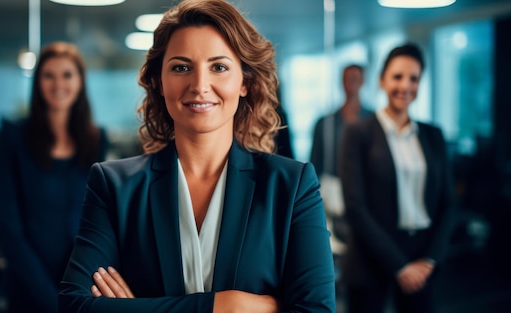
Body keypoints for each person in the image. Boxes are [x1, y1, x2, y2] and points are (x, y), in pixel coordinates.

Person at [58, 0, 336, 312]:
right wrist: (224, 306)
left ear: (244, 82)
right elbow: (75, 306)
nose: (200, 85)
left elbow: (316, 309)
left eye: (219, 67)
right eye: (181, 67)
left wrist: (142, 308)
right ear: (159, 82)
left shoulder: (291, 185)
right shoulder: (114, 186)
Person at [0, 41, 109, 313]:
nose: (58, 84)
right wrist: (49, 297)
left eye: (67, 74)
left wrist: (80, 285)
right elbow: (8, 228)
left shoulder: (95, 140)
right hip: (28, 283)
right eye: (49, 75)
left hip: (81, 281)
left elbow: (97, 218)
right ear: (37, 82)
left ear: (80, 81)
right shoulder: (12, 138)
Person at [338, 43, 456, 313]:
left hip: (422, 257)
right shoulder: (358, 133)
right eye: (397, 76)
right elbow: (355, 207)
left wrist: (430, 259)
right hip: (372, 258)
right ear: (382, 80)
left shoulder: (433, 135)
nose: (405, 85)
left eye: (413, 78)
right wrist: (400, 266)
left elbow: (448, 203)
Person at [309, 64, 373, 251]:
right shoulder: (326, 122)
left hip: (366, 191)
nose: (351, 83)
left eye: (355, 78)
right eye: (347, 79)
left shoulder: (373, 121)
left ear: (362, 82)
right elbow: (315, 163)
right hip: (333, 192)